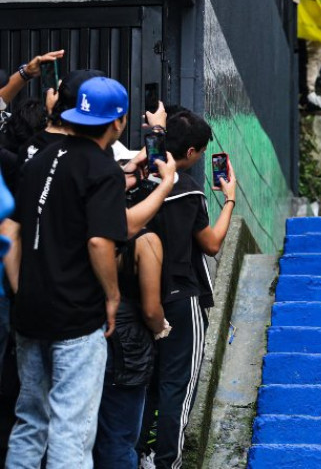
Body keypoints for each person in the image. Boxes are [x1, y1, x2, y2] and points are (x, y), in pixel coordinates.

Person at [1, 76, 142, 468]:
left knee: (30, 420)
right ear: (118, 122)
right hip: (77, 319)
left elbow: (9, 229)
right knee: (72, 430)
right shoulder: (103, 169)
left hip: (30, 315)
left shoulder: (39, 157)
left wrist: (22, 289)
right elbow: (100, 241)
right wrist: (112, 297)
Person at [137, 109, 237, 469]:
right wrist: (229, 200)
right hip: (182, 299)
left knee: (147, 383)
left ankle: (140, 455)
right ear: (193, 152)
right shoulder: (190, 191)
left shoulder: (140, 181)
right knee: (177, 388)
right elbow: (210, 244)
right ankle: (169, 462)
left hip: (143, 300)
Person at [93, 230, 169, 469]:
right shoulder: (146, 240)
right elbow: (151, 310)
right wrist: (161, 327)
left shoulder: (83, 224)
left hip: (82, 330)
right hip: (126, 346)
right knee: (119, 437)